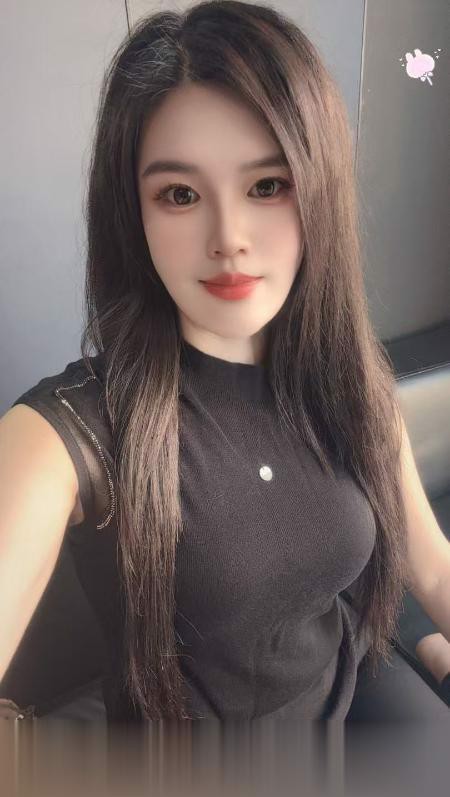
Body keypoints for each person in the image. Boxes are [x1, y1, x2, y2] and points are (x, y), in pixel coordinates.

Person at [1, 0, 449, 723]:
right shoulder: (66, 434)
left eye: (267, 185)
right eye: (179, 195)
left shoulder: (348, 376)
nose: (229, 237)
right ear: (135, 213)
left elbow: (430, 567)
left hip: (349, 708)